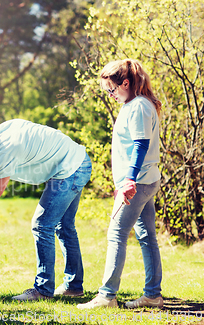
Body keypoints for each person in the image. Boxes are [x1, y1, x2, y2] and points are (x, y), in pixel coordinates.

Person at [0, 119, 91, 300]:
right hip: (78, 161)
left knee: (42, 225)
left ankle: (43, 290)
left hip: (70, 170)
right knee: (64, 226)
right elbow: (26, 156)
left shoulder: (4, 149)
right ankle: (73, 286)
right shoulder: (5, 129)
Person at [77, 59, 163, 309]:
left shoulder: (138, 106)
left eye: (111, 90)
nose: (110, 95)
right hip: (145, 181)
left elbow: (140, 144)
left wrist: (128, 180)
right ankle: (152, 295)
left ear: (125, 83)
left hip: (138, 183)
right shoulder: (137, 104)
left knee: (116, 234)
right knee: (147, 237)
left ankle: (107, 296)